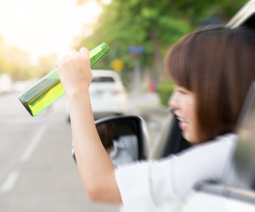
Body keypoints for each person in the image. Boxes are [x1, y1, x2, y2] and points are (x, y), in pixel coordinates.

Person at [56, 26, 255, 210]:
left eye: (183, 92)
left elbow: (101, 185)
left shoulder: (227, 153)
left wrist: (77, 91)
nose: (172, 102)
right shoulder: (234, 151)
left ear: (221, 95)